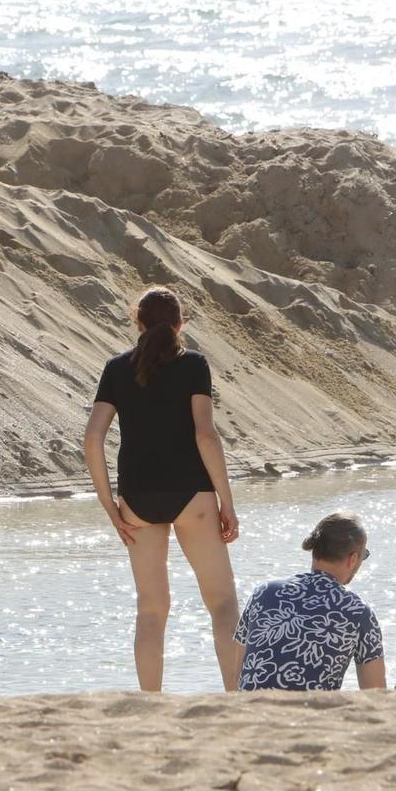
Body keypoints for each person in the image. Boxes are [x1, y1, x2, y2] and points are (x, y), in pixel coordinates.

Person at [83, 287, 244, 692]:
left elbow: (92, 438)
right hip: (193, 493)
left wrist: (108, 504)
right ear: (180, 323)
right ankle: (237, 698)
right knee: (223, 604)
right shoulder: (193, 364)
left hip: (137, 496)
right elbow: (206, 436)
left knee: (151, 610)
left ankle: (150, 704)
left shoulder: (116, 368)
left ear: (137, 321)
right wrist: (227, 501)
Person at [238, 512, 387, 692]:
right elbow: (375, 693)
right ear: (353, 558)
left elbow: (237, 671)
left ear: (315, 550)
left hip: (249, 712)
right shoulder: (358, 611)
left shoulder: (262, 592)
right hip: (310, 715)